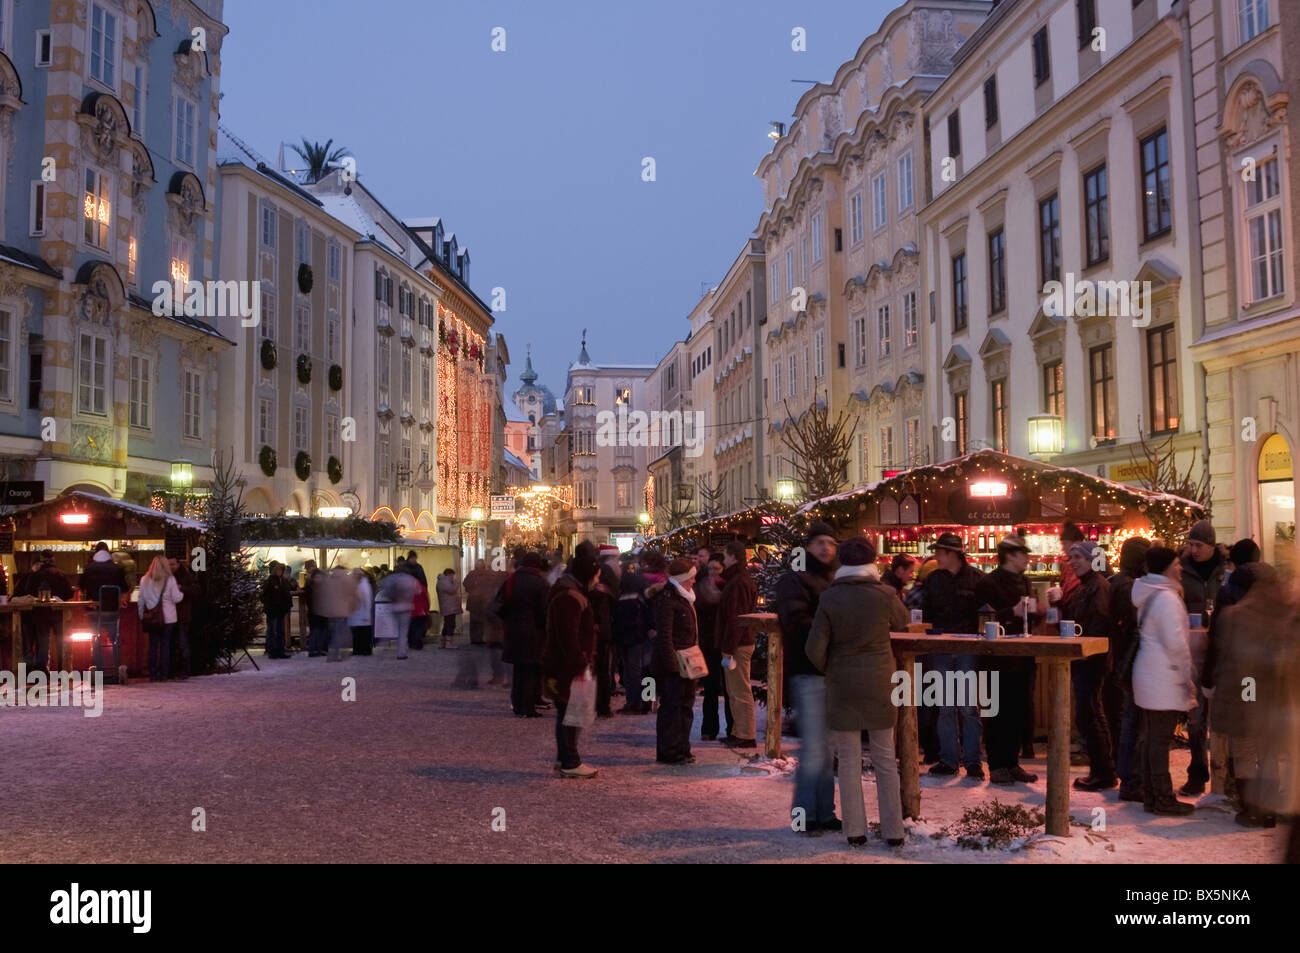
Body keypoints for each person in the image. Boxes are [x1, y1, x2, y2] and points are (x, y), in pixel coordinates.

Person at [807, 536, 908, 848]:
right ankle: (893, 831)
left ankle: (855, 831)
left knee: (849, 760)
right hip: (880, 682)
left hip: (843, 684)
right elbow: (903, 623)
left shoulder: (829, 598)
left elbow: (814, 649)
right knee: (885, 760)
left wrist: (831, 667)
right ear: (872, 562)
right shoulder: (886, 594)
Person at [775, 521, 840, 834]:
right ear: (808, 546)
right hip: (807, 671)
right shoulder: (795, 580)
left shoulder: (834, 579)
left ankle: (825, 812)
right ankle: (804, 815)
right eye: (819, 543)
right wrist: (828, 627)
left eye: (830, 542)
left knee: (826, 749)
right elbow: (794, 620)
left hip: (832, 671)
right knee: (814, 749)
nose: (826, 548)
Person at [1211, 561, 1281, 827]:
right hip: (1273, 692)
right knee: (1268, 751)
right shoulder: (1280, 612)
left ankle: (1251, 808)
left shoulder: (1237, 615)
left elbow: (1230, 657)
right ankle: (1270, 810)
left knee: (1245, 748)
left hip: (1248, 687)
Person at [1131, 545, 1197, 815]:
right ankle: (1162, 798)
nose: (1181, 567)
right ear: (1168, 567)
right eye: (1177, 563)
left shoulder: (1149, 593)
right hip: (1162, 676)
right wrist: (1187, 677)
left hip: (1148, 674)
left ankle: (1151, 796)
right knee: (1158, 739)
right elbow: (1177, 645)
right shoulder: (1166, 598)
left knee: (1151, 738)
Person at [974, 534, 1039, 785]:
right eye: (1023, 553)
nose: (1027, 558)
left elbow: (1028, 617)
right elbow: (980, 622)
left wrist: (1038, 612)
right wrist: (1010, 613)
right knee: (998, 712)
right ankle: (997, 764)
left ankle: (1012, 763)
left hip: (1023, 656)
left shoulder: (1024, 581)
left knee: (1019, 711)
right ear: (1010, 556)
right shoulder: (988, 583)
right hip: (997, 659)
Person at [920, 532, 984, 779]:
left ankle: (972, 761)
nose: (936, 557)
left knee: (968, 707)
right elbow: (925, 614)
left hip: (967, 647)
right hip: (942, 648)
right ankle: (949, 760)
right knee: (946, 707)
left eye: (939, 552)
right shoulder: (934, 579)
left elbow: (984, 614)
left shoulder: (977, 579)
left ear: (952, 554)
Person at [1059, 539, 1116, 790]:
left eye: (1078, 558)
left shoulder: (1098, 587)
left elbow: (1100, 623)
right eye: (1071, 559)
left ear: (1093, 559)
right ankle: (1102, 769)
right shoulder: (1086, 587)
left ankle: (1103, 773)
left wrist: (1085, 647)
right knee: (1089, 713)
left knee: (1090, 714)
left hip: (1092, 660)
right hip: (1085, 659)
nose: (1073, 563)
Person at [542, 541, 601, 778]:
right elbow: (568, 635)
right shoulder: (570, 597)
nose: (597, 581)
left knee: (567, 712)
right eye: (596, 576)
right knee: (570, 713)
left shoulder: (570, 592)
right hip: (567, 666)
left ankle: (564, 758)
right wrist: (580, 662)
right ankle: (570, 760)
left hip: (566, 663)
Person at [1178, 519, 1225, 797]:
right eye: (1191, 544)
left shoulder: (1225, 571)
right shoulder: (1182, 571)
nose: (1193, 549)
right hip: (1194, 650)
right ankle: (1197, 774)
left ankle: (1224, 775)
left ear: (1211, 545)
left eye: (1199, 545)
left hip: (1221, 651)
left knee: (1221, 716)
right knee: (1195, 717)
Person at [1107, 535, 1153, 801]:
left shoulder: (1120, 582)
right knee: (1133, 722)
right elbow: (1136, 624)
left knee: (1130, 720)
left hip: (1124, 659)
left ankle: (1129, 777)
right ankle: (1131, 780)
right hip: (1131, 660)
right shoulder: (1128, 587)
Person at [652, 557, 701, 765]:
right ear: (682, 579)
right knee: (672, 707)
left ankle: (682, 748)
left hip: (688, 660)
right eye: (691, 578)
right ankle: (669, 751)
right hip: (674, 663)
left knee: (685, 706)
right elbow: (665, 636)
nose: (694, 582)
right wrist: (672, 666)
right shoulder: (668, 599)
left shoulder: (685, 598)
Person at [495, 549, 551, 716]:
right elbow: (543, 610)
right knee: (531, 670)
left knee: (518, 670)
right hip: (533, 632)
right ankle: (528, 707)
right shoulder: (539, 582)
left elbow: (499, 603)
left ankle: (518, 705)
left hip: (513, 630)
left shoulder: (511, 579)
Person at [718, 540, 759, 749]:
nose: (722, 561)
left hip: (738, 645)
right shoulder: (739, 580)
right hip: (738, 643)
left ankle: (745, 734)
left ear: (733, 557)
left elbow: (736, 618)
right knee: (734, 690)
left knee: (739, 690)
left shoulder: (738, 583)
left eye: (724, 556)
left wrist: (728, 646)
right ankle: (738, 731)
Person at [616, 550, 663, 714]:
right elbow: (652, 606)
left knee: (634, 668)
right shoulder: (652, 581)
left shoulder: (628, 581)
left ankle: (638, 701)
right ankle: (647, 700)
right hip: (644, 630)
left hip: (633, 631)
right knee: (646, 668)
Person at [696, 555, 731, 740]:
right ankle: (709, 729)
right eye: (710, 569)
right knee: (710, 688)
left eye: (716, 569)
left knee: (728, 688)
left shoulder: (728, 588)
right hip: (708, 644)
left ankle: (731, 729)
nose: (713, 572)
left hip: (724, 643)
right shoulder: (701, 588)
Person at [587, 544, 622, 716]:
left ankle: (590, 704)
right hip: (602, 627)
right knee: (602, 668)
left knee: (594, 668)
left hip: (592, 627)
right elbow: (616, 598)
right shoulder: (608, 573)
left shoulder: (588, 574)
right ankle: (602, 706)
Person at [81, 542, 128, 671]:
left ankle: (98, 667)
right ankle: (117, 666)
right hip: (112, 609)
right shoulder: (117, 569)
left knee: (95, 638)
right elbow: (125, 588)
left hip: (94, 609)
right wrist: (122, 599)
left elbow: (81, 587)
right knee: (115, 638)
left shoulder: (88, 568)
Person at [24, 552, 73, 670]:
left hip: (40, 614)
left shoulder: (35, 575)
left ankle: (42, 672)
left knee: (43, 645)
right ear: (53, 559)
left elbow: (28, 593)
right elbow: (69, 593)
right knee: (61, 643)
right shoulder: (60, 574)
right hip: (58, 613)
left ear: (41, 560)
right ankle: (63, 671)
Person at [137, 555, 183, 682]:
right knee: (165, 645)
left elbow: (141, 599)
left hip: (151, 618)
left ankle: (152, 674)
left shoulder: (144, 579)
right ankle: (163, 674)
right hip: (168, 618)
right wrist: (180, 591)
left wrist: (141, 615)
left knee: (152, 646)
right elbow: (176, 598)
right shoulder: (170, 580)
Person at [168, 556, 203, 678]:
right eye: (169, 565)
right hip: (171, 616)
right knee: (172, 644)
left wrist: (182, 588)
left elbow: (196, 591)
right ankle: (173, 670)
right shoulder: (169, 577)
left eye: (172, 564)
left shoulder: (186, 577)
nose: (171, 567)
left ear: (178, 564)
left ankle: (184, 670)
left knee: (182, 644)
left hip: (182, 615)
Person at [375, 565, 420, 660]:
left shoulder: (391, 578)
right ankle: (401, 653)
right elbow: (417, 591)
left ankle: (382, 644)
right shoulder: (409, 579)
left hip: (394, 606)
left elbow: (384, 587)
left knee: (392, 628)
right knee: (403, 631)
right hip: (406, 607)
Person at [260, 562, 295, 659]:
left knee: (280, 631)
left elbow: (290, 588)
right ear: (275, 571)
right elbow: (263, 596)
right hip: (273, 610)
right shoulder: (270, 581)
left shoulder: (283, 581)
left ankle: (280, 650)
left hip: (280, 610)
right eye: (278, 570)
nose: (280, 572)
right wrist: (271, 602)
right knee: (273, 631)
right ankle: (272, 651)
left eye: (281, 570)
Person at [463, 559, 497, 647]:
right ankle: (477, 639)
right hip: (477, 601)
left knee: (478, 621)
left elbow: (465, 584)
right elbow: (466, 583)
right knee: (477, 621)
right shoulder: (474, 574)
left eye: (480, 564)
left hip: (479, 601)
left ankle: (477, 639)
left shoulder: (475, 574)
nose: (479, 566)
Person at [303, 560, 328, 657]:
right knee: (318, 630)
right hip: (318, 609)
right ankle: (319, 649)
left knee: (317, 630)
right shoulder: (319, 576)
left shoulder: (314, 577)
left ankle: (316, 649)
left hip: (318, 609)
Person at [406, 561, 432, 652]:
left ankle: (410, 642)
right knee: (418, 628)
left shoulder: (407, 586)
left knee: (411, 627)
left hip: (409, 610)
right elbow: (426, 599)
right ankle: (416, 643)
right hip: (420, 611)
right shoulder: (421, 586)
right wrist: (427, 609)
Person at [348, 568, 375, 655]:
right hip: (358, 614)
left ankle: (362, 650)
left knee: (362, 633)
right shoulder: (361, 584)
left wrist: (367, 613)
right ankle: (360, 650)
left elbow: (367, 600)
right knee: (359, 633)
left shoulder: (363, 585)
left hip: (362, 613)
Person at [436, 569, 462, 648]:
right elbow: (452, 590)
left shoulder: (441, 581)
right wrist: (457, 583)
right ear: (449, 575)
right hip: (449, 606)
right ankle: (448, 643)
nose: (453, 577)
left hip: (447, 606)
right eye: (452, 576)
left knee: (447, 624)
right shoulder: (444, 581)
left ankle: (443, 642)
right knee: (451, 624)